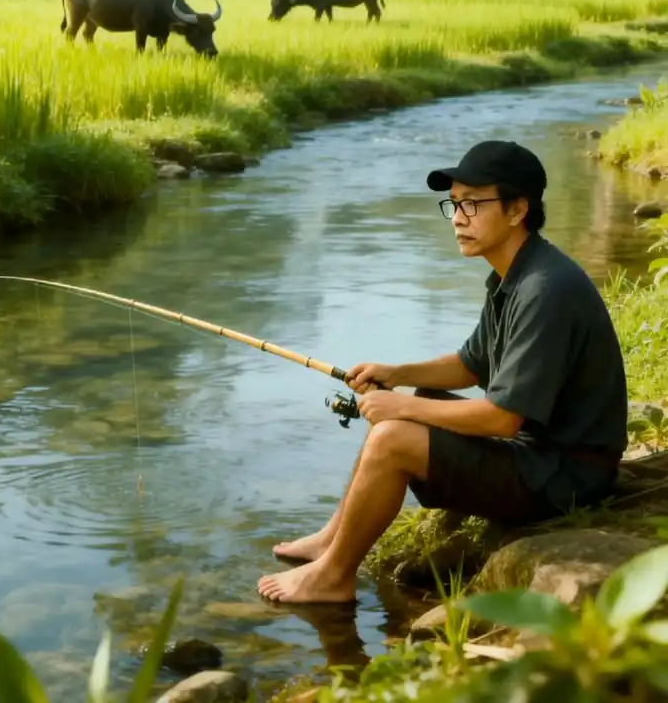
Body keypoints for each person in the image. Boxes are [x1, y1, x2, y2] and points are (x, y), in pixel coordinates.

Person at [257, 139, 628, 605]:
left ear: (517, 210)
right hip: (541, 456)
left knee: (394, 435)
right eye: (453, 204)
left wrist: (398, 406)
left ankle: (332, 577)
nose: (457, 218)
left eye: (473, 204)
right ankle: (334, 536)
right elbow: (471, 364)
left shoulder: (544, 290)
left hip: (565, 477)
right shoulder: (514, 275)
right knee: (423, 398)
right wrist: (396, 372)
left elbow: (502, 419)